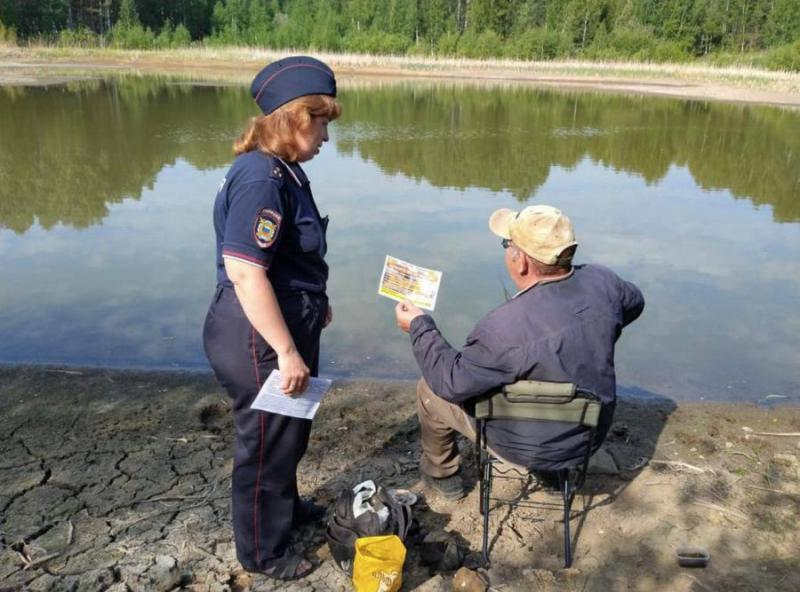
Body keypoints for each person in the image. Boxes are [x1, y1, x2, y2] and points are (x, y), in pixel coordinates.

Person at [394, 205, 644, 500]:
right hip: (587, 437)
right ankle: (555, 474)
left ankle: (443, 475)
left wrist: (420, 327)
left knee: (429, 389)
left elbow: (450, 381)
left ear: (521, 261)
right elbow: (634, 303)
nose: (506, 251)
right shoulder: (604, 282)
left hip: (522, 446)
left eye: (507, 245)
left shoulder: (502, 328)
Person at [203, 56, 341, 581]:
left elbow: (287, 256)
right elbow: (245, 273)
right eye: (322, 121)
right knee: (264, 442)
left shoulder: (284, 171)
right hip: (256, 338)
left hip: (281, 322)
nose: (327, 135)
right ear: (295, 117)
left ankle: (284, 510)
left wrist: (314, 299)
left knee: (288, 432)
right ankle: (263, 552)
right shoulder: (262, 178)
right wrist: (286, 351)